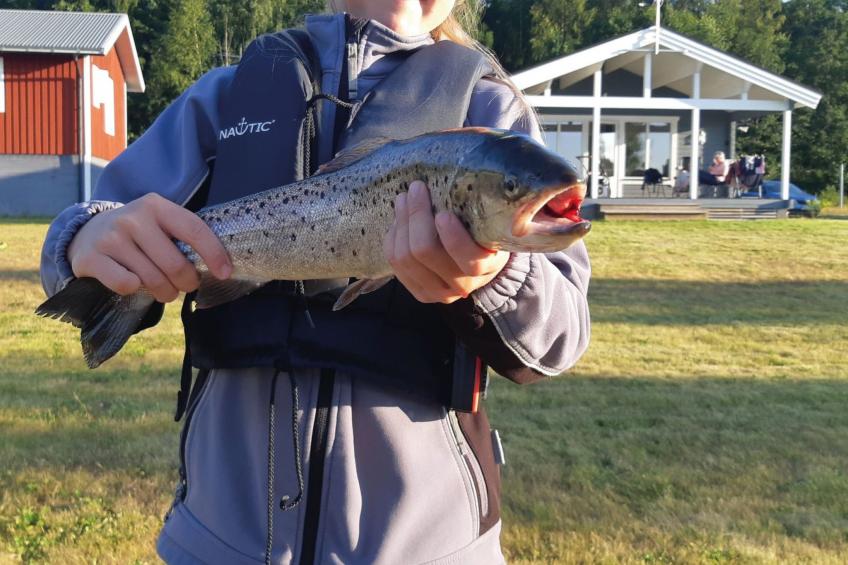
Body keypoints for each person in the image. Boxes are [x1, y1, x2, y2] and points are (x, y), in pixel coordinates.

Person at [39, 1, 591, 563]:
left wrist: (498, 276)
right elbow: (97, 212)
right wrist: (83, 239)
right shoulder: (226, 95)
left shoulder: (491, 107)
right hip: (218, 539)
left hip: (428, 544)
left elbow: (562, 337)